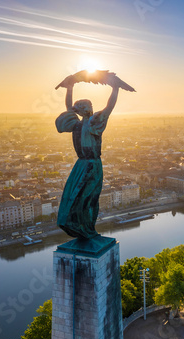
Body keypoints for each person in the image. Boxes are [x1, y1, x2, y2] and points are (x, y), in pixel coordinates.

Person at [55, 74, 119, 240]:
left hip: (91, 165)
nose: (76, 110)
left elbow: (109, 107)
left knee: (88, 198)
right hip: (83, 165)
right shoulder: (79, 124)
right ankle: (79, 226)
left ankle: (87, 228)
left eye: (80, 108)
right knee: (78, 197)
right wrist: (70, 88)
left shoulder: (92, 123)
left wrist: (115, 89)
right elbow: (69, 108)